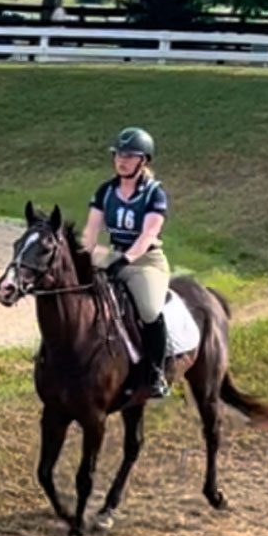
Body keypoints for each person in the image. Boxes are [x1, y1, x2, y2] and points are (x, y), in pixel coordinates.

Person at [82, 127, 171, 397]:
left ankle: (156, 372)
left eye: (130, 156)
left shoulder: (155, 193)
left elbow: (149, 234)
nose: (122, 160)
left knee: (149, 310)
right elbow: (91, 229)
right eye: (119, 155)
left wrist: (127, 259)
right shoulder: (105, 191)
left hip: (145, 260)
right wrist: (84, 255)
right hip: (114, 253)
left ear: (143, 161)